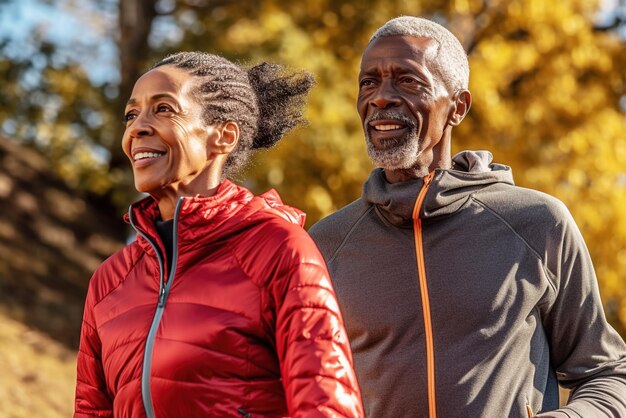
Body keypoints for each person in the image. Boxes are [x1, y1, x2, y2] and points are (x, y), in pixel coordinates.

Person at [309, 16, 626, 418]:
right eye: (368, 83)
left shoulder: (536, 223)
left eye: (408, 81)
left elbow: (607, 371)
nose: (381, 98)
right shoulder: (326, 245)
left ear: (457, 107)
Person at [73, 51, 364, 418]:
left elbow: (326, 401)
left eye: (164, 109)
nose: (137, 128)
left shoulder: (278, 250)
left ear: (223, 136)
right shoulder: (109, 282)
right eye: (131, 114)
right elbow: (90, 410)